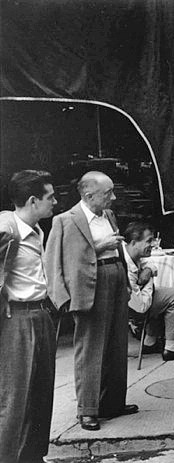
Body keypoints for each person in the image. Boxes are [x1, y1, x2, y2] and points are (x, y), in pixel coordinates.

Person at [46, 171, 137, 431]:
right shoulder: (64, 221)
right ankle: (87, 410)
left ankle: (113, 403)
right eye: (108, 193)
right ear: (88, 195)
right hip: (89, 284)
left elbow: (118, 250)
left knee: (117, 344)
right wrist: (61, 298)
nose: (114, 197)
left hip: (115, 278)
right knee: (90, 348)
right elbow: (53, 261)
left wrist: (127, 282)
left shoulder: (108, 215)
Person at [0, 170, 57, 463]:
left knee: (40, 394)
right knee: (15, 399)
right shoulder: (6, 226)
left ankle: (33, 457)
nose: (55, 202)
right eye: (50, 197)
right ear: (33, 200)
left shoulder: (35, 230)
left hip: (40, 314)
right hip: (17, 319)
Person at [122, 222, 174, 361]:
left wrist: (148, 270)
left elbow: (150, 264)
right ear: (133, 242)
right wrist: (149, 279)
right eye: (149, 241)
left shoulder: (131, 253)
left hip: (135, 302)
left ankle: (150, 341)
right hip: (131, 311)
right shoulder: (126, 265)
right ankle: (171, 348)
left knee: (161, 294)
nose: (154, 244)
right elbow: (142, 307)